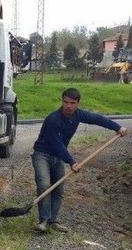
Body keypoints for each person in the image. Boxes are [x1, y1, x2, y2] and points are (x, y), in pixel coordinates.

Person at [31, 88, 127, 233]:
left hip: (58, 157)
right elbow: (56, 143)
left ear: (77, 103)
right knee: (44, 185)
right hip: (42, 155)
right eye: (65, 102)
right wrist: (71, 161)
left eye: (72, 103)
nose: (68, 106)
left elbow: (97, 119)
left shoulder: (78, 115)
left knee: (58, 189)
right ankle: (43, 221)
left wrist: (117, 127)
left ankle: (53, 221)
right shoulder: (53, 119)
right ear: (62, 101)